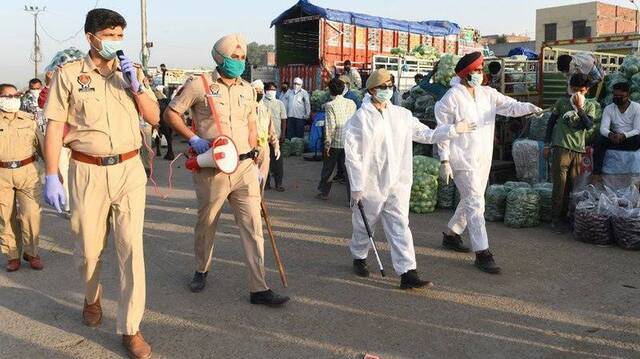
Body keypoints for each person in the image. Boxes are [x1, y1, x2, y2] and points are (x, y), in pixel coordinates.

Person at [43, 9, 160, 358]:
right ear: (91, 37)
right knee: (89, 251)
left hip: (128, 169)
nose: (115, 41)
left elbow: (154, 116)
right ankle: (92, 297)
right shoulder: (68, 75)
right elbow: (53, 127)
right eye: (109, 34)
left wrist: (136, 87)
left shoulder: (132, 72)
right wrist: (52, 174)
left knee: (131, 251)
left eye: (120, 35)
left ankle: (130, 328)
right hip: (87, 170)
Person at [163, 33, 289, 306]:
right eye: (234, 57)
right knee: (207, 223)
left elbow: (252, 123)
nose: (239, 62)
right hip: (214, 167)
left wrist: (256, 152)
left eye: (242, 57)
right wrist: (193, 138)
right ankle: (201, 269)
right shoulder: (199, 85)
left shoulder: (247, 89)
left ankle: (259, 287)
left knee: (253, 226)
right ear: (220, 58)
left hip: (245, 166)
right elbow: (171, 113)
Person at [344, 69, 477, 289]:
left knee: (400, 226)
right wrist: (357, 186)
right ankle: (359, 256)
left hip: (398, 182)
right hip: (371, 184)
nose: (388, 90)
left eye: (390, 86)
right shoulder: (360, 120)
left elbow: (427, 134)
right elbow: (353, 155)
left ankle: (408, 272)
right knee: (364, 224)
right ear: (372, 90)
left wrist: (453, 129)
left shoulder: (402, 116)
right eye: (383, 87)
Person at [436, 52, 542, 274]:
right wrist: (444, 159)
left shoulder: (488, 94)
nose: (480, 74)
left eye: (480, 70)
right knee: (476, 203)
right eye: (476, 71)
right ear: (466, 74)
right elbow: (443, 132)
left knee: (471, 199)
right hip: (461, 159)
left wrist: (530, 108)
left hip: (483, 158)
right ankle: (482, 252)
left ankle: (452, 234)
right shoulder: (451, 98)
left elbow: (511, 107)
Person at [0, 83, 44, 272]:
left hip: (28, 172)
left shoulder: (29, 119)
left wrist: (52, 173)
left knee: (31, 214)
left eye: (16, 95)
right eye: (8, 96)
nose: (13, 99)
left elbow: (42, 146)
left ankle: (32, 252)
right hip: (2, 174)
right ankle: (12, 255)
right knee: (5, 216)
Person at [543, 74, 594, 233]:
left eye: (581, 90)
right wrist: (546, 144)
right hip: (561, 147)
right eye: (574, 90)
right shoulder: (562, 102)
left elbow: (589, 125)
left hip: (578, 150)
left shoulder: (590, 105)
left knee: (571, 187)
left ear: (586, 90)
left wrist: (579, 108)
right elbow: (551, 123)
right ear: (570, 88)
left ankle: (566, 217)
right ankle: (555, 219)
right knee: (559, 186)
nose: (577, 94)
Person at [316, 78, 356, 202]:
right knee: (349, 171)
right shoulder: (351, 103)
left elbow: (330, 126)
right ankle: (352, 198)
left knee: (328, 168)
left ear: (330, 90)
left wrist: (327, 144)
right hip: (349, 142)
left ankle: (324, 192)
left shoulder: (330, 105)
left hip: (335, 143)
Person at [592, 81, 640, 182]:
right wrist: (610, 135)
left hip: (630, 139)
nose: (617, 97)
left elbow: (637, 129)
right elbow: (603, 128)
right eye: (615, 95)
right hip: (613, 139)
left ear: (628, 95)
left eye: (621, 96)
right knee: (599, 140)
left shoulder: (636, 107)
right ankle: (596, 173)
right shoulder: (609, 108)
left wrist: (624, 136)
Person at [251, 79, 281, 192]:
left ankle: (259, 202)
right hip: (250, 148)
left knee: (262, 178)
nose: (259, 92)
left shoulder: (265, 109)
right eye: (256, 90)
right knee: (250, 179)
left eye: (260, 90)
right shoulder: (247, 109)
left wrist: (276, 146)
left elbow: (271, 130)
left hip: (264, 148)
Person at [263, 81, 287, 191]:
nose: (271, 92)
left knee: (277, 161)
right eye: (269, 90)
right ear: (265, 91)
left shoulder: (279, 103)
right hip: (263, 137)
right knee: (264, 161)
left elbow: (283, 120)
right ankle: (266, 183)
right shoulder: (261, 103)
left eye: (273, 90)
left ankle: (279, 183)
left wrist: (283, 134)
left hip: (276, 137)